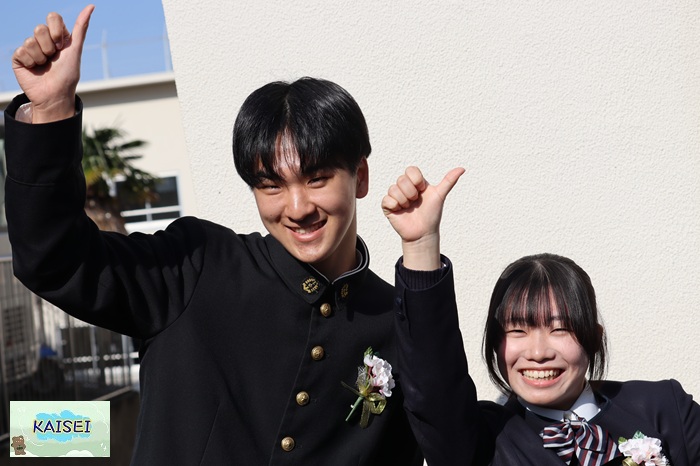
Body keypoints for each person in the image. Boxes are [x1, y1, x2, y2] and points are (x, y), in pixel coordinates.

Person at [4, 5, 422, 464]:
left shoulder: (396, 321)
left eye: (317, 178)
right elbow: (54, 261)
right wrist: (51, 112)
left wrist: (424, 255)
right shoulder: (196, 265)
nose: (298, 208)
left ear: (360, 177)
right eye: (271, 185)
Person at [382, 166, 700, 465]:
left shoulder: (665, 409)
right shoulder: (483, 440)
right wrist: (421, 245)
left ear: (594, 338)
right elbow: (434, 386)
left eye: (559, 329)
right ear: (495, 344)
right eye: (518, 331)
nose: (538, 353)